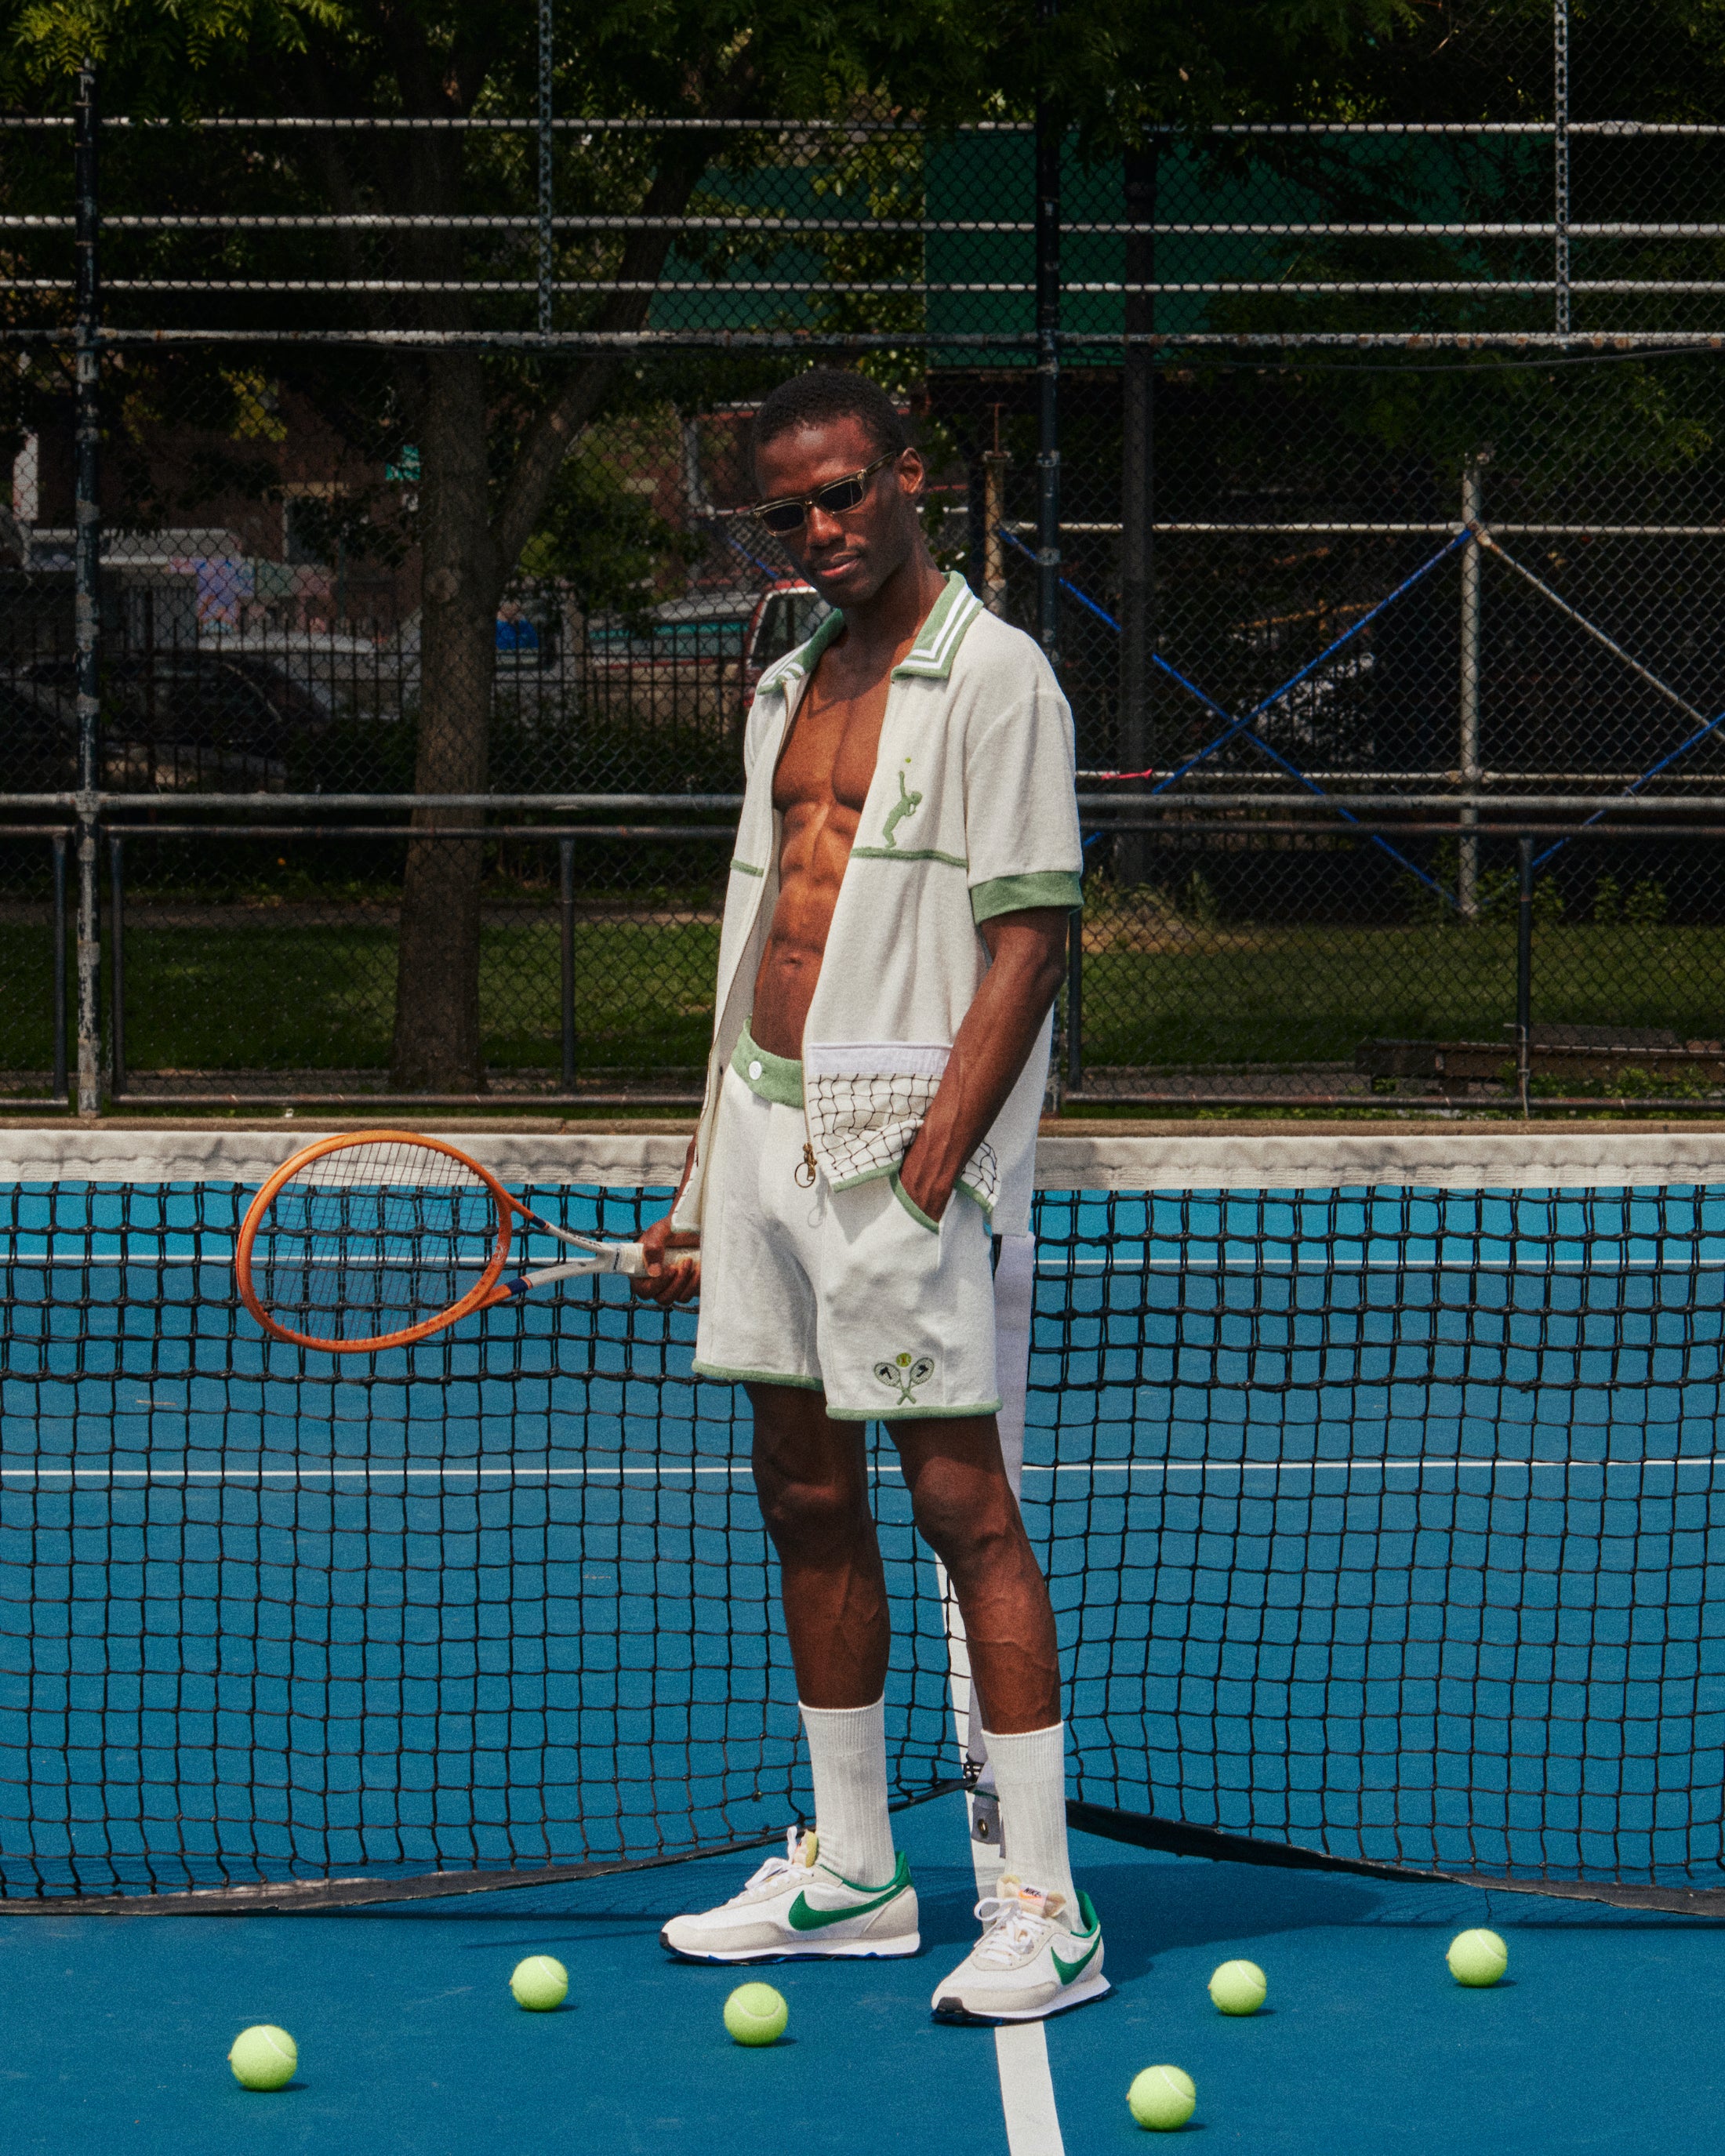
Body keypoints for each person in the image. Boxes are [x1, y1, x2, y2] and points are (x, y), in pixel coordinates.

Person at [633, 368, 1100, 2025]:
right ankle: (850, 1873)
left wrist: (934, 1156)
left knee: (962, 1505)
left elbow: (1030, 936)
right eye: (786, 512)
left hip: (899, 1145)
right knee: (799, 1492)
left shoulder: (999, 677)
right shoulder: (780, 687)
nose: (819, 529)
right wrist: (699, 1182)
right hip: (762, 1131)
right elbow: (753, 941)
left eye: (842, 495)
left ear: (908, 483)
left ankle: (1041, 1902)